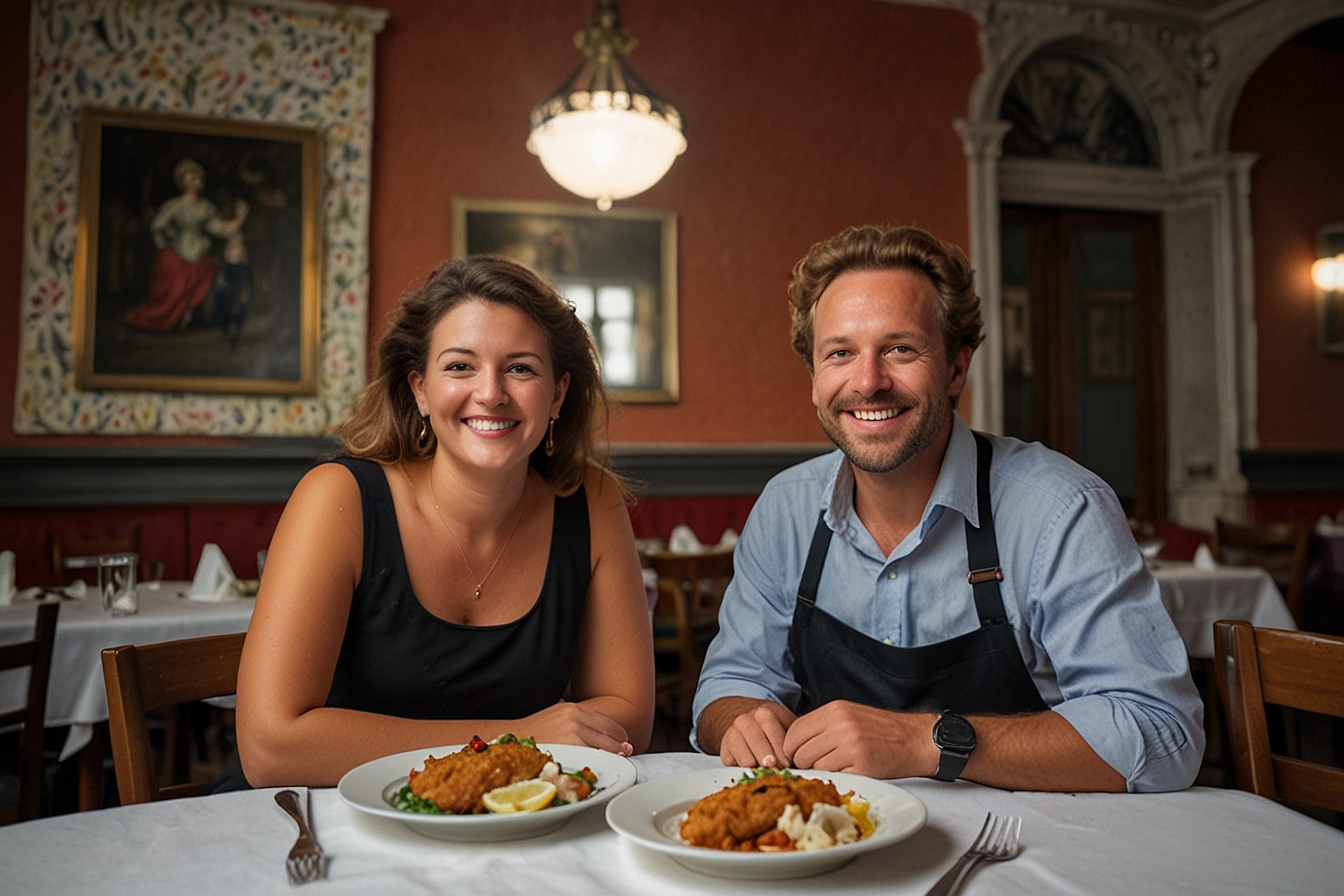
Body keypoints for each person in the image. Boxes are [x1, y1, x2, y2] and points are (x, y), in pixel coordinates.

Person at [692, 224, 1204, 793]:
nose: (868, 382)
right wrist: (739, 719)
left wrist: (924, 741)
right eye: (840, 354)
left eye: (900, 349)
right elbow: (729, 683)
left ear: (957, 368)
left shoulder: (1061, 510)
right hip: (846, 850)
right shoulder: (785, 510)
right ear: (814, 380)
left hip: (1031, 850)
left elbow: (1161, 732)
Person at [223, 255, 655, 789]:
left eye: (520, 368)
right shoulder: (340, 498)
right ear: (420, 389)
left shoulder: (592, 501)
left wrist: (509, 750)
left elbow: (629, 716)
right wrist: (514, 740)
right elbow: (270, 747)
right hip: (310, 827)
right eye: (459, 366)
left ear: (558, 394)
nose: (491, 392)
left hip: (496, 825)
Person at [125, 159, 228, 332]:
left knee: (207, 270)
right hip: (178, 250)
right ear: (184, 183)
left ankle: (187, 315)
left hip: (200, 252)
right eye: (190, 179)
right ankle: (171, 317)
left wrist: (237, 221)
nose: (195, 182)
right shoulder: (175, 205)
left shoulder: (206, 207)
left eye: (197, 178)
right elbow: (157, 226)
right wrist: (168, 241)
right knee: (175, 282)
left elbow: (217, 228)